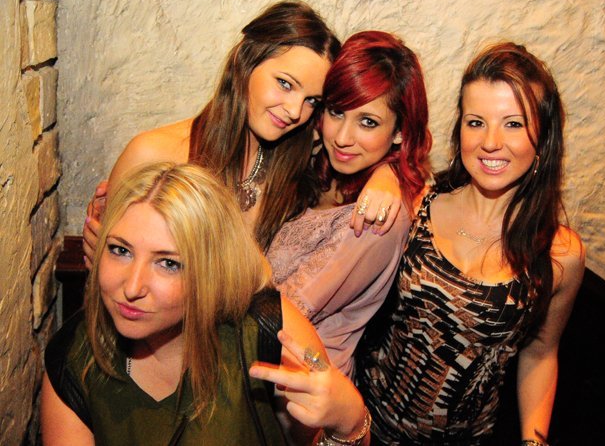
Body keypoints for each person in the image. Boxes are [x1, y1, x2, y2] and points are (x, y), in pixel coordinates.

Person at [355, 42, 586, 445]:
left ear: (544, 139)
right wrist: (386, 174)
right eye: (476, 122)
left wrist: (534, 441)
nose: (490, 142)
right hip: (363, 423)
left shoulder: (560, 254)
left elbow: (540, 353)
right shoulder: (418, 203)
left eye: (513, 124)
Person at [41, 163, 369, 446]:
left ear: (209, 271)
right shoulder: (74, 358)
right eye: (120, 250)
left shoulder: (267, 332)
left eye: (168, 263)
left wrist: (350, 423)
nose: (132, 287)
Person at [82, 0, 402, 267]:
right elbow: (110, 277)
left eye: (311, 101)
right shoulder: (152, 154)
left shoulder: (296, 161)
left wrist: (388, 176)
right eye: (285, 84)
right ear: (244, 62)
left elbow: (364, 155)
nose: (295, 111)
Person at [265, 31, 432, 376]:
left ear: (400, 131)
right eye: (337, 112)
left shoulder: (375, 218)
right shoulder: (316, 161)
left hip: (302, 390)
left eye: (368, 122)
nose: (342, 138)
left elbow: (282, 312)